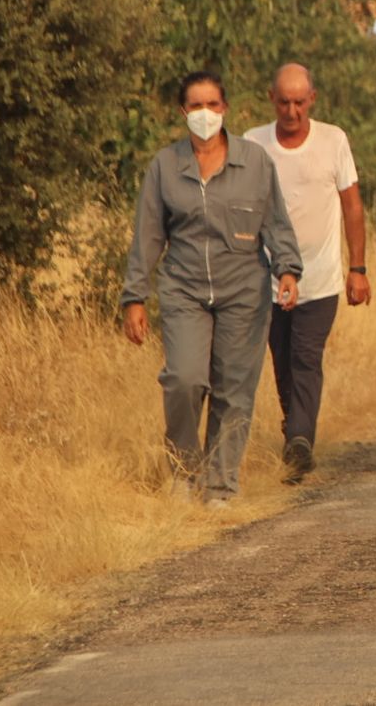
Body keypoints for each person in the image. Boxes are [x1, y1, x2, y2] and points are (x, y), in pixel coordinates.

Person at [122, 70, 302, 507]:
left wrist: (288, 271)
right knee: (184, 379)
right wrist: (134, 297)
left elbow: (275, 222)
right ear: (184, 112)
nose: (205, 114)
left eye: (213, 105)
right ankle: (184, 472)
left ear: (226, 109)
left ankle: (220, 485)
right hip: (184, 289)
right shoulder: (165, 166)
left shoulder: (255, 162)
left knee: (234, 387)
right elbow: (148, 235)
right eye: (196, 106)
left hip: (244, 288)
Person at [246, 63, 372, 483]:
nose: (292, 111)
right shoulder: (253, 145)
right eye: (284, 102)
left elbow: (352, 206)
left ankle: (300, 440)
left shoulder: (333, 140)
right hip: (268, 278)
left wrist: (358, 269)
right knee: (281, 358)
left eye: (300, 102)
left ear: (312, 100)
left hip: (321, 277)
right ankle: (294, 427)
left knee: (305, 355)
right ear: (272, 99)